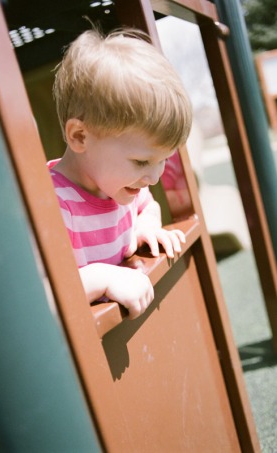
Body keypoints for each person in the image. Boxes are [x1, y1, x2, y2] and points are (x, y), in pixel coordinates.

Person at [48, 28, 192, 320]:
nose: (153, 177)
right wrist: (103, 277)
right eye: (141, 162)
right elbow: (40, 296)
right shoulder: (52, 206)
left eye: (163, 160)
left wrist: (146, 225)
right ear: (79, 137)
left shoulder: (123, 186)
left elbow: (148, 205)